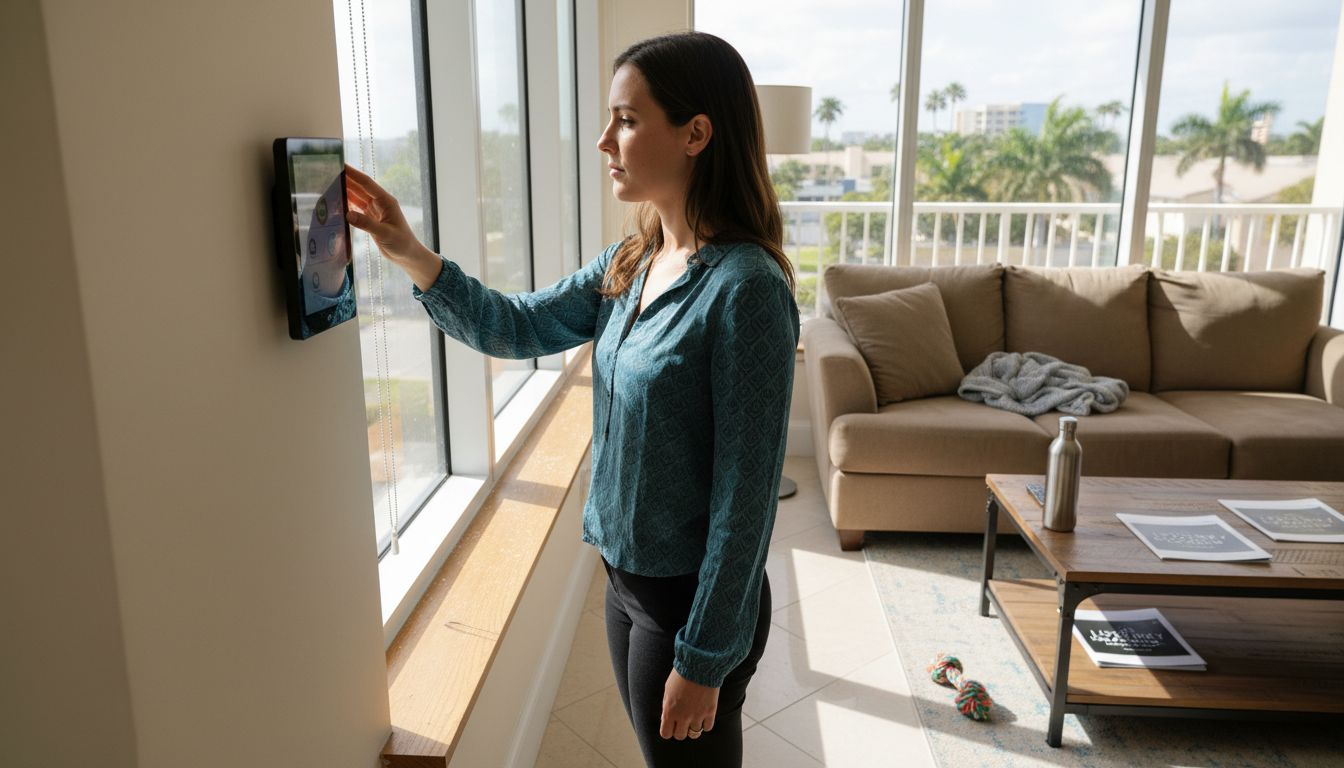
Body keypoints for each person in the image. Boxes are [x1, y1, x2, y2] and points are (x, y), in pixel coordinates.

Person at [345, 30, 799, 768]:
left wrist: (705, 658)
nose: (602, 140)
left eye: (625, 119)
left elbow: (746, 500)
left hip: (688, 604)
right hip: (626, 584)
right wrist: (408, 251)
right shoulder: (633, 259)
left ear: (695, 134)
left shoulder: (746, 291)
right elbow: (516, 325)